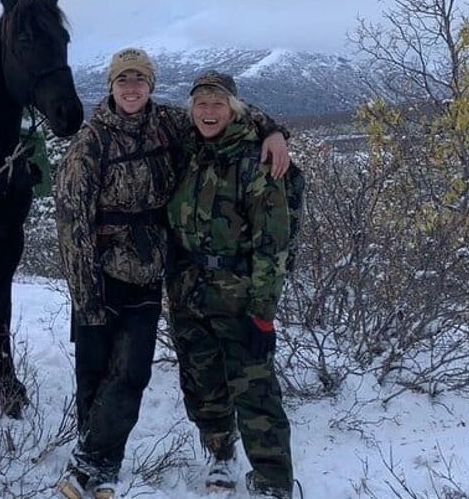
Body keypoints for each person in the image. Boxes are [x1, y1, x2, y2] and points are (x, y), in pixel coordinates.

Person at [54, 49, 287, 499]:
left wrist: (273, 130)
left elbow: (221, 111)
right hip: (100, 277)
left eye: (140, 79)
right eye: (123, 80)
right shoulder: (91, 142)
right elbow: (71, 225)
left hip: (148, 274)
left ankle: (96, 461)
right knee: (94, 374)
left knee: (131, 373)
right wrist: (86, 299)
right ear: (111, 86)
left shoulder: (167, 123)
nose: (131, 87)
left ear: (152, 85)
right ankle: (97, 462)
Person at [166, 70, 295, 498]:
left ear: (233, 108)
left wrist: (262, 311)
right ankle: (221, 453)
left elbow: (272, 241)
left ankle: (273, 480)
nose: (208, 111)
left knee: (255, 389)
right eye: (200, 103)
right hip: (189, 289)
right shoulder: (186, 149)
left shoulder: (255, 158)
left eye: (217, 103)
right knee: (202, 383)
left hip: (239, 292)